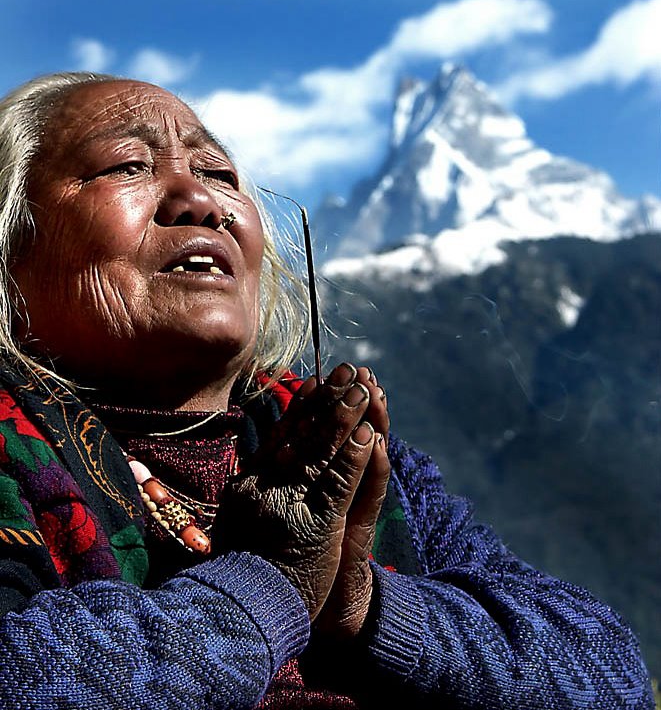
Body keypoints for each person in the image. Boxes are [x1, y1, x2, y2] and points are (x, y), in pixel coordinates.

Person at [0, 71, 653, 710]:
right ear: (11, 249)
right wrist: (268, 581)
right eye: (127, 165)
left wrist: (360, 599)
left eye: (220, 174)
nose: (201, 201)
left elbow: (609, 671)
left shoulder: (343, 458)